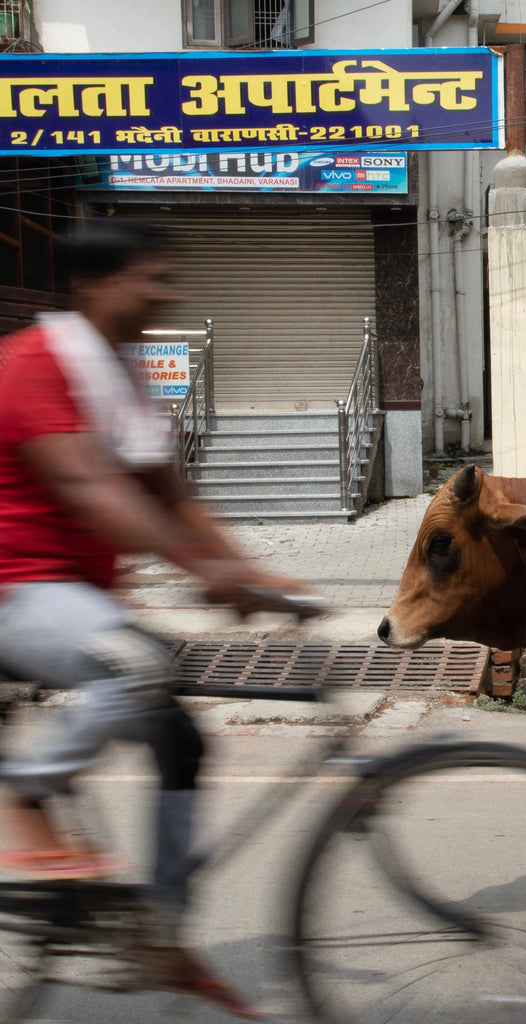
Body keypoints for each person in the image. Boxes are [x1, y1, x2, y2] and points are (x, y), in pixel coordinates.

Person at [0, 218, 313, 1018]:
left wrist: (255, 577)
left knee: (182, 736)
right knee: (135, 663)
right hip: (16, 591)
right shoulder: (33, 363)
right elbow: (88, 491)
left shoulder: (125, 380)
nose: (165, 291)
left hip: (74, 603)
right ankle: (26, 792)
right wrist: (203, 570)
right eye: (150, 277)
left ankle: (162, 933)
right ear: (93, 286)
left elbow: (172, 497)